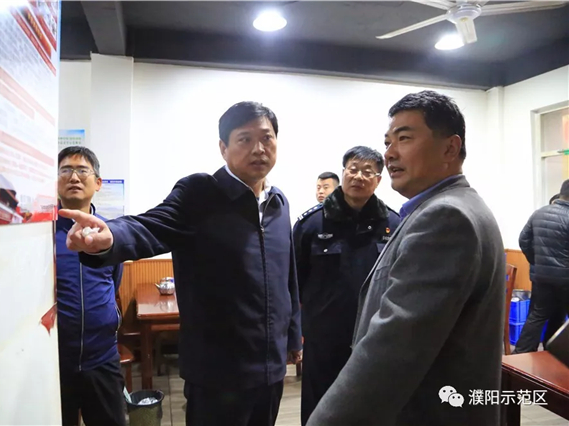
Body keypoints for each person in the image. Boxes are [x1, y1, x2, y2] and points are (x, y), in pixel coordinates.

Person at [59, 102, 302, 426]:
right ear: (223, 147)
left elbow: (287, 276)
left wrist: (293, 335)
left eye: (267, 138)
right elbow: (150, 226)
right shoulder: (199, 193)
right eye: (245, 139)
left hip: (271, 370)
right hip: (217, 375)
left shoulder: (278, 203)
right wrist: (111, 236)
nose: (259, 148)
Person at [307, 90, 505, 426]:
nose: (390, 153)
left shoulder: (446, 217)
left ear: (450, 148)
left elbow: (392, 350)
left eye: (404, 138)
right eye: (388, 142)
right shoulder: (439, 209)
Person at [294, 146, 400, 426]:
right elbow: (295, 283)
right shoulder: (311, 224)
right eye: (353, 169)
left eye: (368, 172)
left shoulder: (394, 224)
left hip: (374, 338)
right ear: (343, 173)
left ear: (378, 180)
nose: (359, 176)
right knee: (318, 408)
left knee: (368, 408)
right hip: (324, 339)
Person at [56, 146, 125, 426]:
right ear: (56, 181)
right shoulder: (39, 233)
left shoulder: (109, 233)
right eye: (66, 170)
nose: (74, 177)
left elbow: (114, 281)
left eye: (82, 170)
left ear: (97, 183)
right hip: (54, 362)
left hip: (103, 358)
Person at [514, 181, 569, 353]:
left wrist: (536, 262)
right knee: (559, 316)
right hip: (565, 279)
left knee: (538, 315)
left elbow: (523, 240)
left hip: (541, 277)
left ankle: (521, 354)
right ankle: (555, 352)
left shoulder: (539, 213)